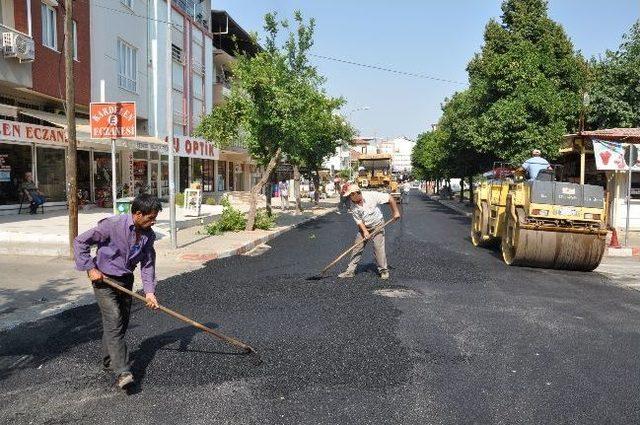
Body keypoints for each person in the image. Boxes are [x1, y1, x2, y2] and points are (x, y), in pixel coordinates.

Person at [73, 194, 162, 389]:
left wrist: (149, 292)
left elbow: (148, 264)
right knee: (114, 319)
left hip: (125, 280)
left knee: (120, 322)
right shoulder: (111, 225)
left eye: (155, 217)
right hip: (103, 280)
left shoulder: (149, 235)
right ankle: (123, 371)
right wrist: (90, 268)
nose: (153, 221)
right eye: (150, 217)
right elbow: (80, 242)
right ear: (138, 213)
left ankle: (109, 361)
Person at [338, 184, 401, 280]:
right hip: (364, 226)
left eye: (350, 195)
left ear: (356, 193)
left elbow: (390, 198)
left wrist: (395, 212)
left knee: (378, 247)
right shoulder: (353, 206)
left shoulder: (371, 196)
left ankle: (383, 270)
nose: (349, 198)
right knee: (357, 247)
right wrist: (365, 231)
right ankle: (350, 271)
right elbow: (358, 220)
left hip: (378, 225)